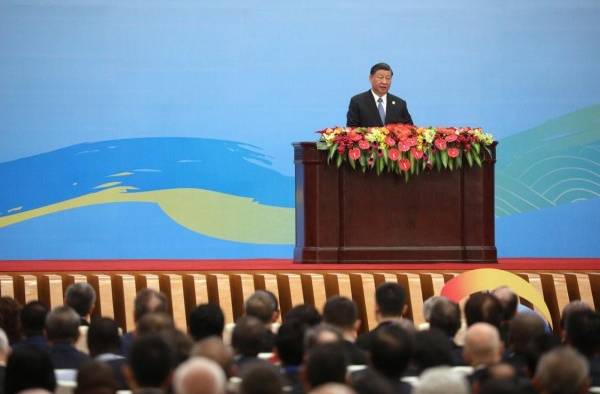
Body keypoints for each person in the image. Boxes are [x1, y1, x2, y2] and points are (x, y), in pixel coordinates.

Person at [347, 63, 413, 127]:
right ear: (370, 78)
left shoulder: (400, 104)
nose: (384, 82)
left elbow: (411, 130)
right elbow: (352, 130)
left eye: (388, 78)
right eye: (380, 77)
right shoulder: (357, 102)